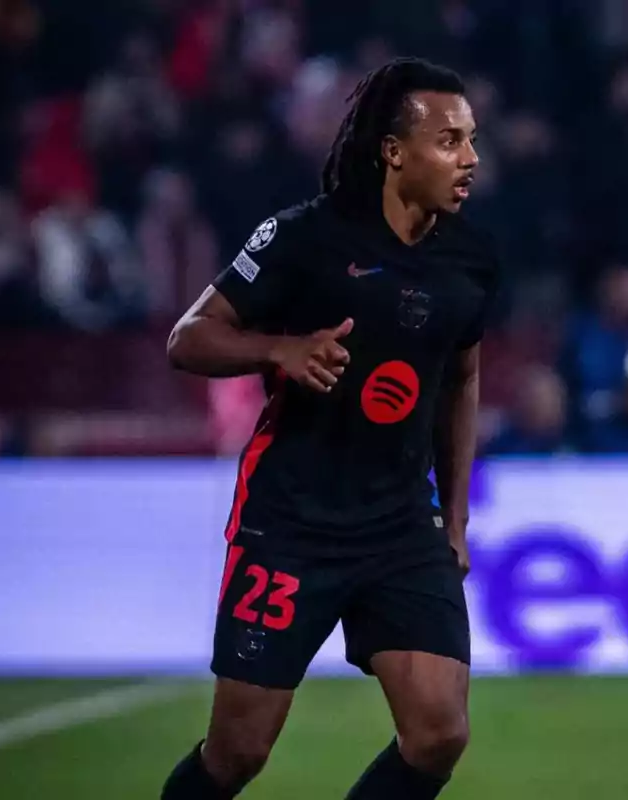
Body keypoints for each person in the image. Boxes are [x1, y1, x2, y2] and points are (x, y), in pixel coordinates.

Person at [160, 57, 498, 800]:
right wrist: (278, 348)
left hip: (401, 524)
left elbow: (463, 377)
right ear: (394, 151)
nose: (470, 159)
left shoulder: (469, 260)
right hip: (292, 521)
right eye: (449, 141)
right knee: (239, 752)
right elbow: (188, 338)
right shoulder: (303, 237)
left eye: (472, 140)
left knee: (439, 732)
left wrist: (457, 518)